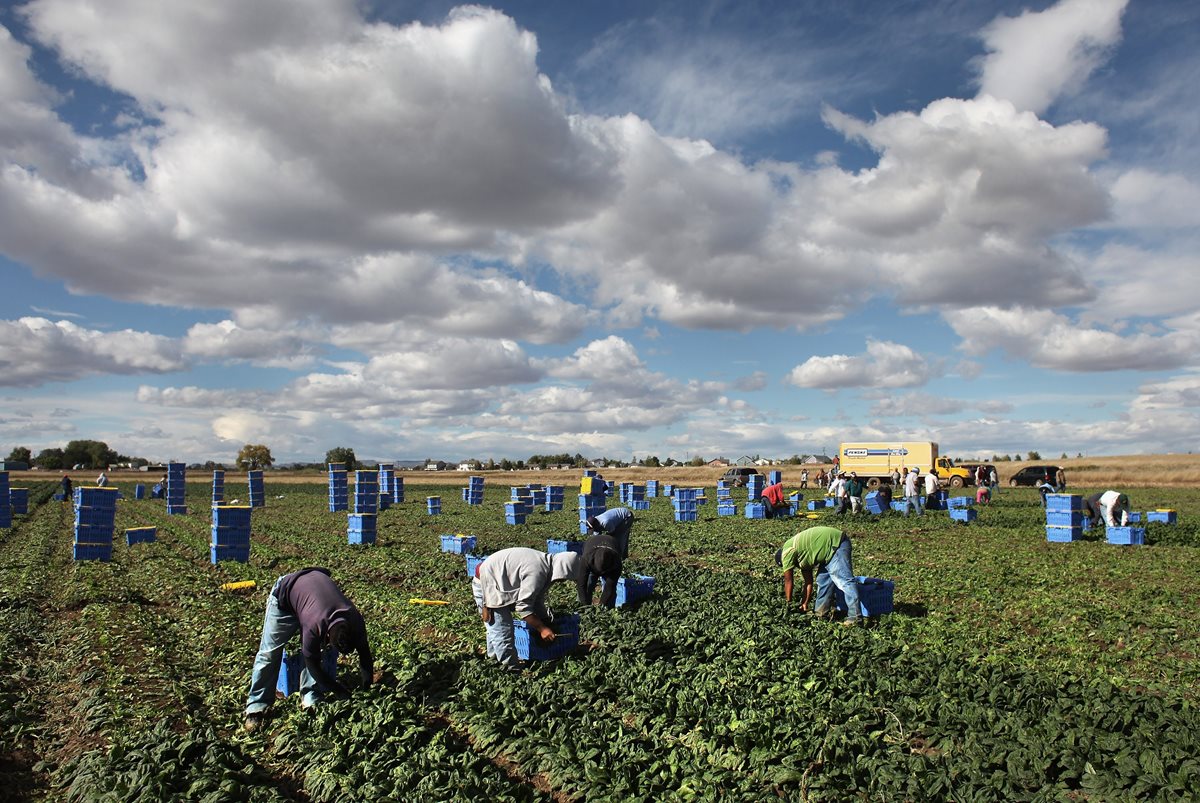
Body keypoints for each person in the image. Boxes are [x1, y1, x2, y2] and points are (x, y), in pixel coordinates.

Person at [244, 567, 373, 733]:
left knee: (320, 651)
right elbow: (313, 663)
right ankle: (256, 706)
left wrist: (367, 689)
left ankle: (311, 697)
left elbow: (365, 656)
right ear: (326, 635)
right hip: (285, 598)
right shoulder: (314, 625)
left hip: (311, 596)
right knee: (269, 653)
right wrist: (339, 690)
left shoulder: (355, 619)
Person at [473, 547, 579, 668]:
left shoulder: (545, 564)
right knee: (502, 631)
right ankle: (510, 670)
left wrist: (545, 620)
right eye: (563, 578)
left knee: (496, 630)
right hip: (488, 583)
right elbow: (523, 607)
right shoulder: (538, 571)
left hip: (499, 581)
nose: (561, 582)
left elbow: (536, 600)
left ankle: (494, 662)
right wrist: (542, 628)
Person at [775, 526, 860, 626]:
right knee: (823, 580)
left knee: (844, 581)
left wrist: (788, 604)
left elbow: (788, 581)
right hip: (827, 550)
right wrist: (804, 603)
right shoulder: (802, 558)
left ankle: (855, 618)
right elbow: (808, 583)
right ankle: (821, 614)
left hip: (836, 544)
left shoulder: (787, 552)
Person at [576, 533, 624, 608]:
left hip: (612, 543)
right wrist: (584, 606)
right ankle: (582, 607)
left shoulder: (616, 563)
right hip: (591, 542)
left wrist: (601, 607)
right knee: (589, 584)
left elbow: (609, 587)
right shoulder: (586, 559)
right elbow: (581, 584)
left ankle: (609, 609)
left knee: (611, 592)